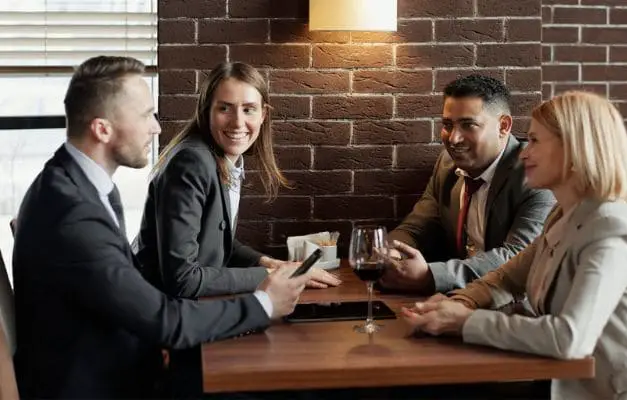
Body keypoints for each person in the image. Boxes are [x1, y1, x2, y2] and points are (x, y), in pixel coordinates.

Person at [11, 56, 312, 399]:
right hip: (109, 384)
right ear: (102, 129)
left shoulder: (74, 185)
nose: (156, 127)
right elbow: (166, 320)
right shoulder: (73, 213)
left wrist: (265, 273)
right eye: (145, 115)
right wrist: (264, 304)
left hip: (128, 360)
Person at [403, 91, 627, 399]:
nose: (524, 153)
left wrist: (465, 322)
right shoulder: (563, 214)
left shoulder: (612, 229)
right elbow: (507, 277)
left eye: (536, 141)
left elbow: (570, 339)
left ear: (576, 149)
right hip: (563, 383)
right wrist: (461, 302)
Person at [133, 61, 340, 299]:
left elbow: (218, 242)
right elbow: (182, 279)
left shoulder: (223, 159)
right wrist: (272, 276)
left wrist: (271, 263)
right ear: (205, 111)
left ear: (263, 115)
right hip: (158, 314)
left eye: (249, 109)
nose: (238, 123)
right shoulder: (192, 163)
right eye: (225, 109)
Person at [383, 75, 554, 293]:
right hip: (458, 298)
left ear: (503, 126)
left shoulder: (534, 174)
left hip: (513, 304)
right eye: (447, 125)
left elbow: (517, 258)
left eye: (468, 125)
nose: (453, 139)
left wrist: (431, 276)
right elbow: (416, 227)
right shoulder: (446, 164)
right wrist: (392, 253)